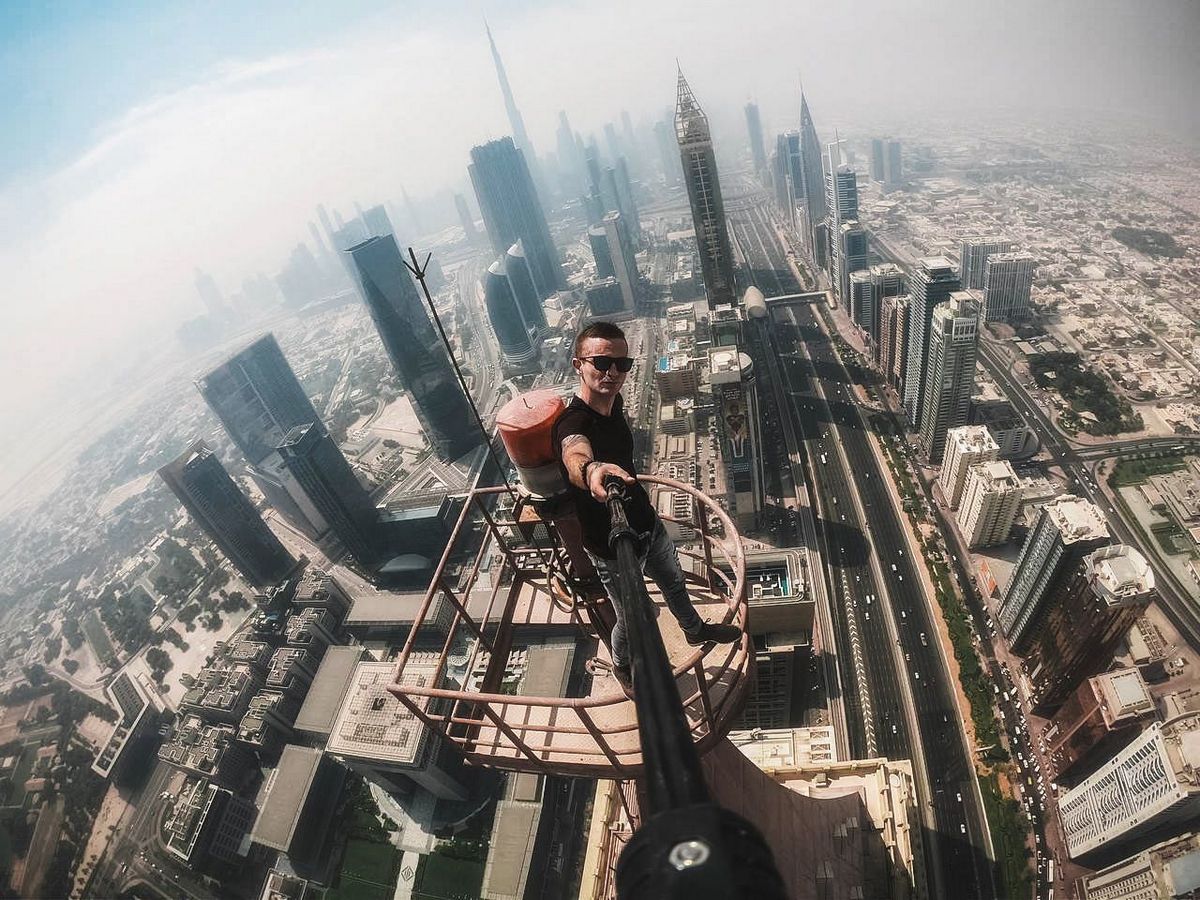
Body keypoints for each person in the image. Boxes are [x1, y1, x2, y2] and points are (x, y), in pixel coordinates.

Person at [553, 321, 741, 694]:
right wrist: (591, 470)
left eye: (622, 365)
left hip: (646, 524)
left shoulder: (616, 402)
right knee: (631, 617)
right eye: (602, 362)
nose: (613, 372)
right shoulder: (571, 423)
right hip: (611, 547)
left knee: (674, 582)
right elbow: (573, 451)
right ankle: (623, 666)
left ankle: (693, 629)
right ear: (578, 364)